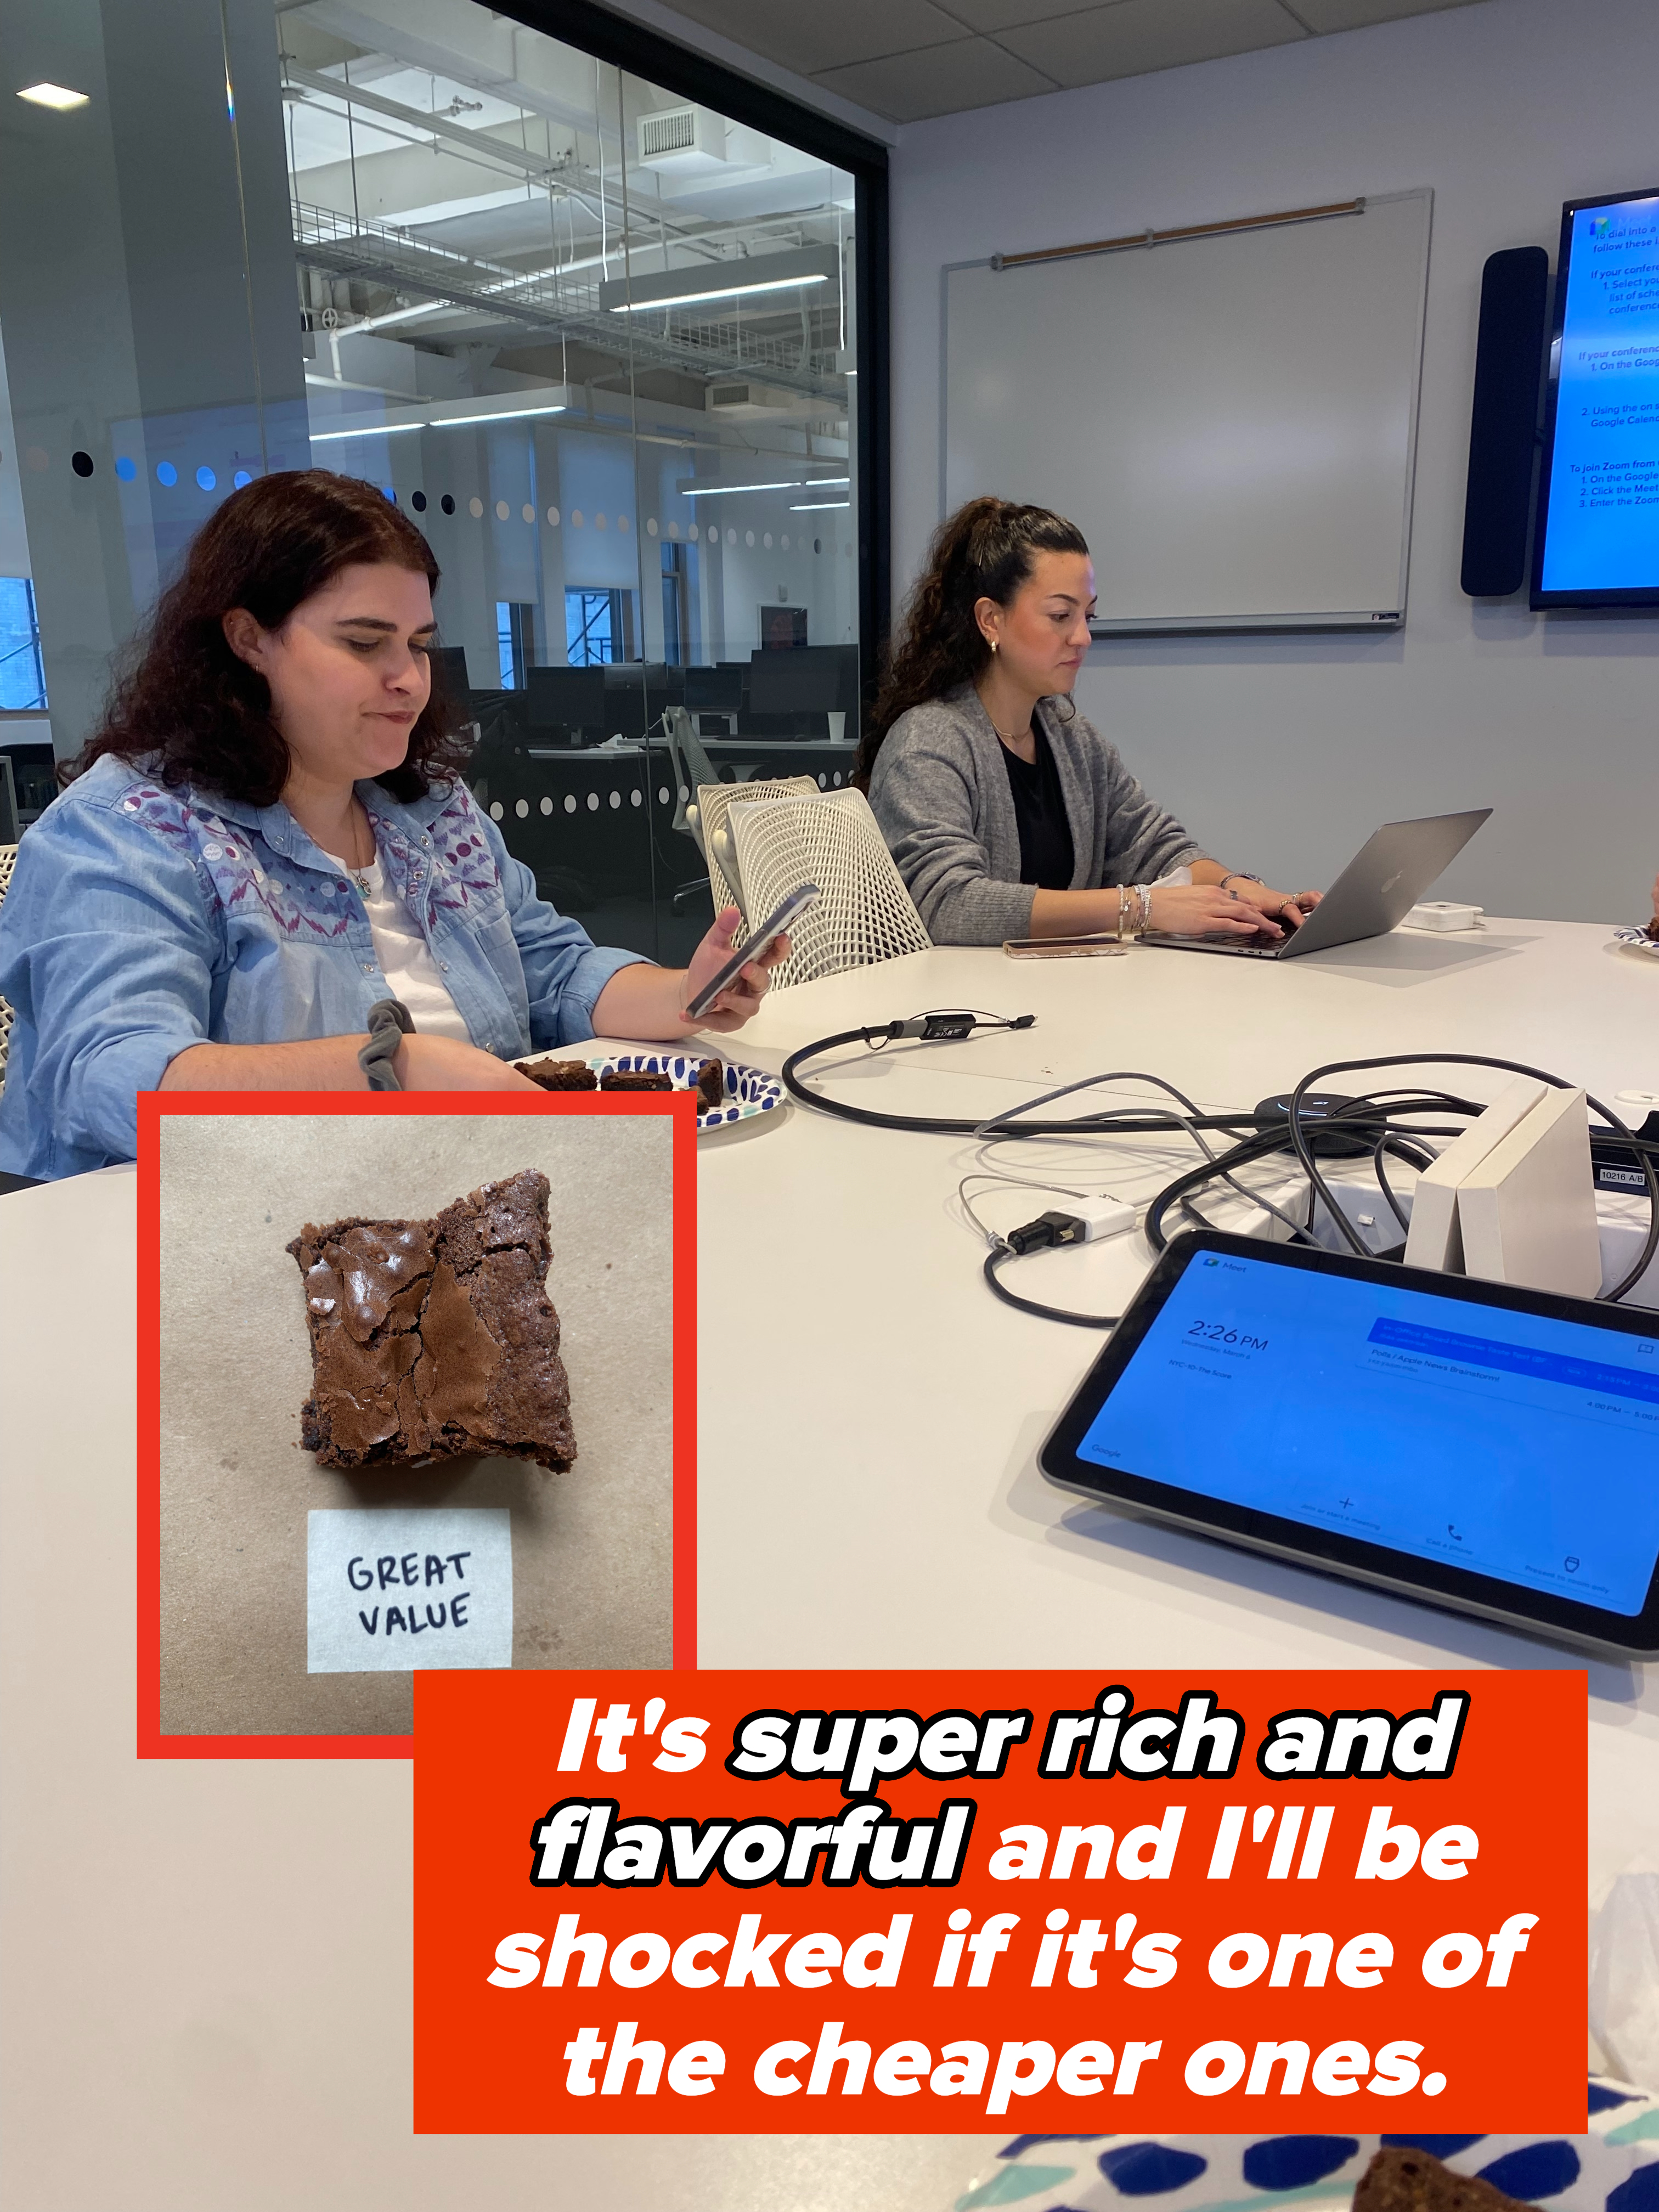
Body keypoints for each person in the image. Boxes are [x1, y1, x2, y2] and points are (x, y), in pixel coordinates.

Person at [0, 470, 783, 1178]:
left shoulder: (430, 811)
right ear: (248, 640)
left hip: (452, 1198)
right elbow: (115, 1080)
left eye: (418, 645)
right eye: (364, 642)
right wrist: (391, 1069)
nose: (408, 678)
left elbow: (551, 969)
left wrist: (685, 995)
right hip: (212, 1241)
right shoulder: (125, 832)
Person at [859, 498, 1322, 946]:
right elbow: (947, 904)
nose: (1083, 637)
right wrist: (1138, 908)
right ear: (991, 620)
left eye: (1088, 615)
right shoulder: (928, 741)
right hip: (966, 995)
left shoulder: (1069, 736)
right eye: (1061, 616)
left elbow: (1153, 846)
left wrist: (1238, 890)